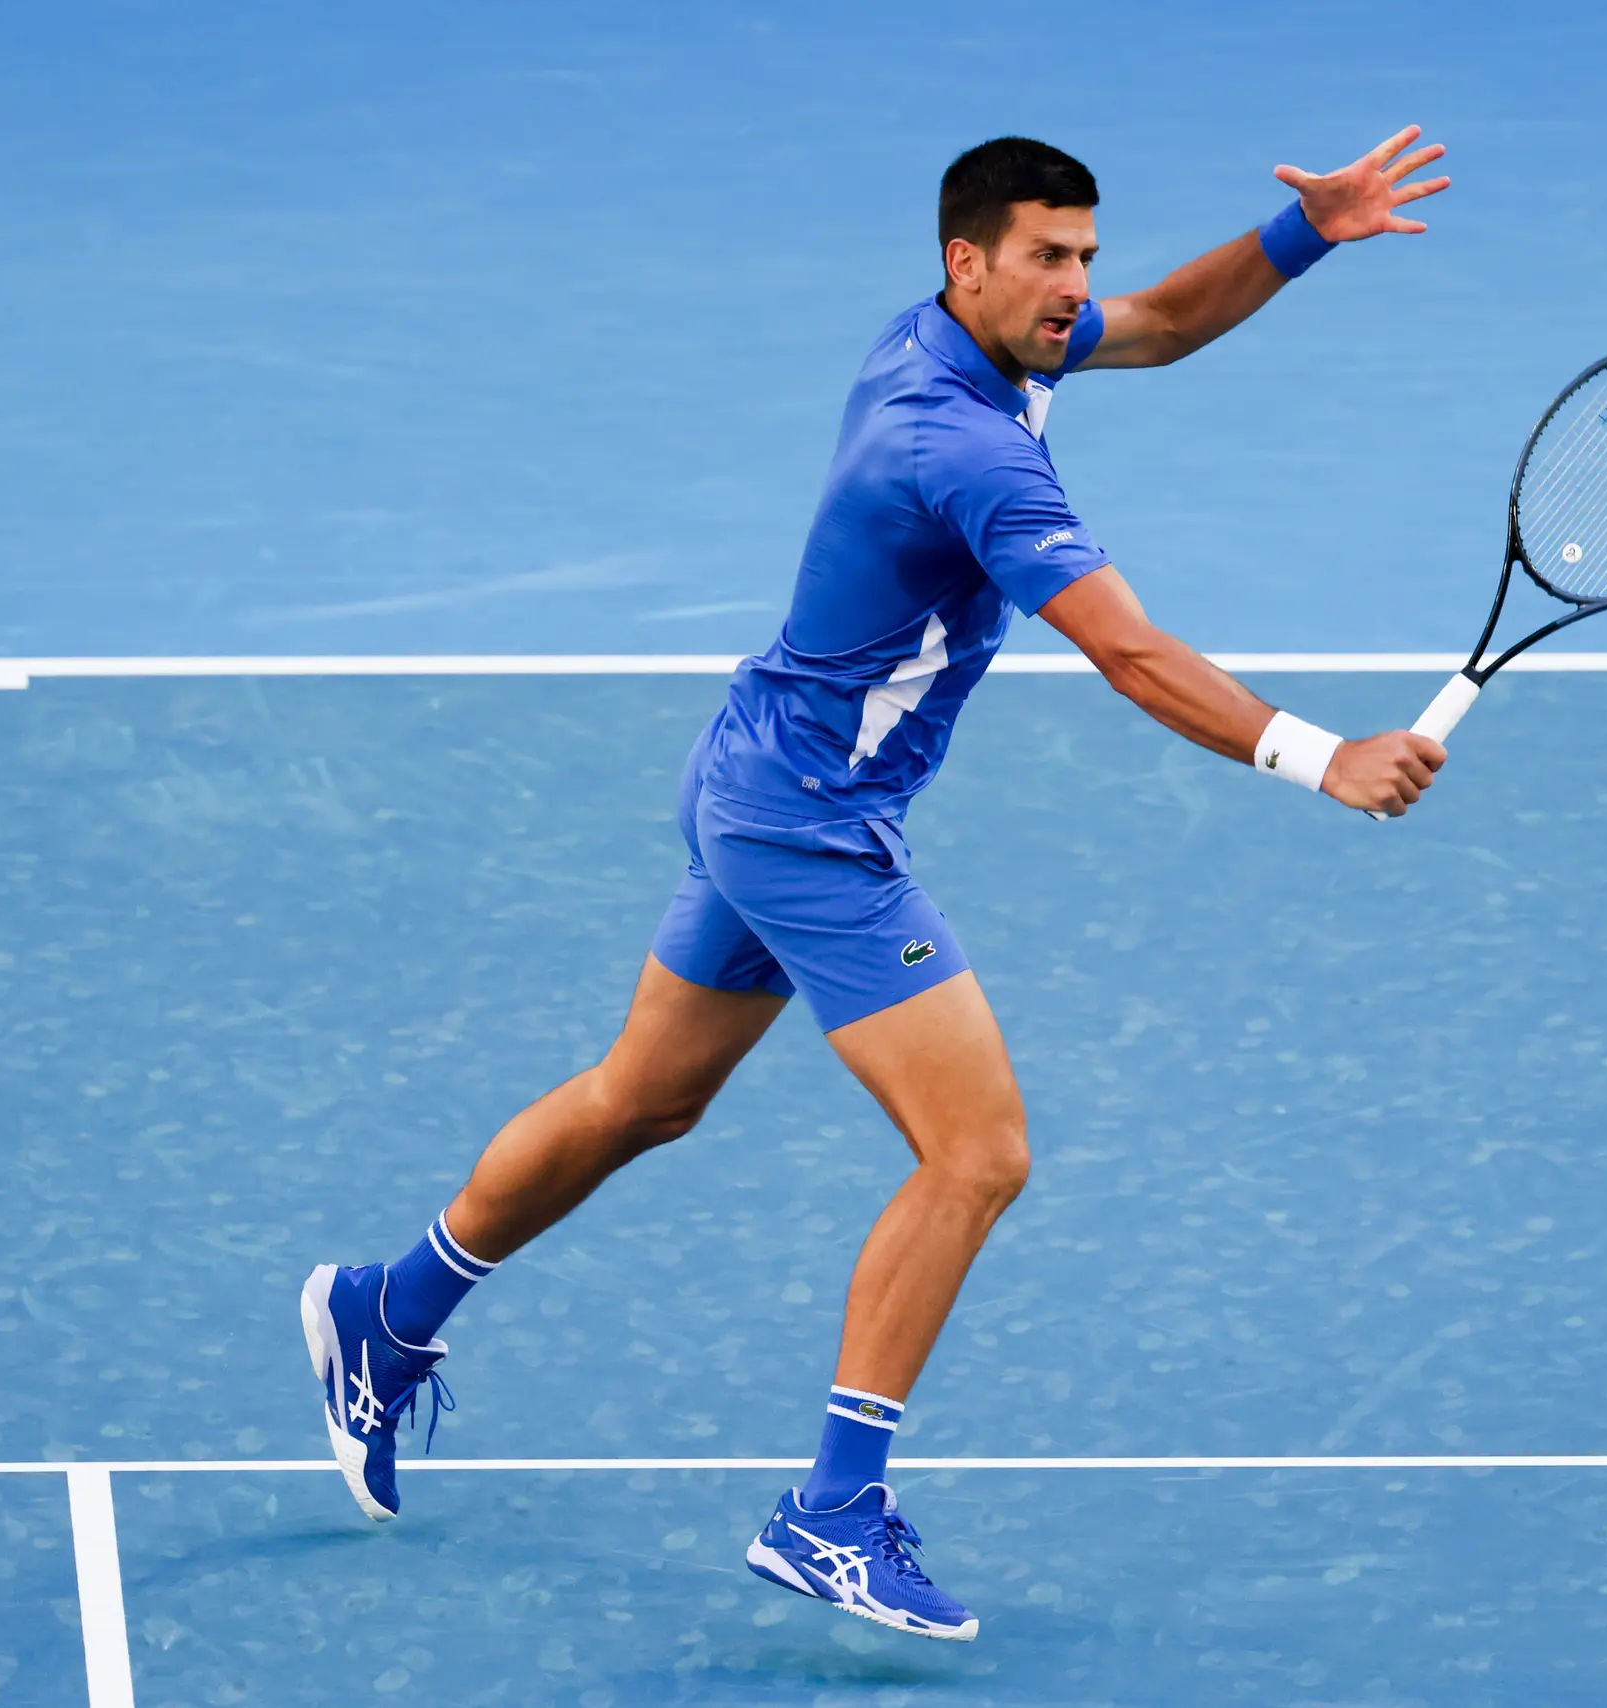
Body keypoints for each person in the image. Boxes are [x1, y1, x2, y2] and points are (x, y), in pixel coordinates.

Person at [302, 128, 1451, 1642]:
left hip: (755, 771)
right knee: (977, 1152)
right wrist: (1320, 755)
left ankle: (386, 1310)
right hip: (811, 828)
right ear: (969, 260)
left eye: (1084, 256)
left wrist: (1304, 236)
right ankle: (832, 1512)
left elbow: (1165, 325)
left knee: (642, 1098)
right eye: (1049, 259)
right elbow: (1129, 651)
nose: (1078, 288)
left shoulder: (960, 346)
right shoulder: (959, 447)